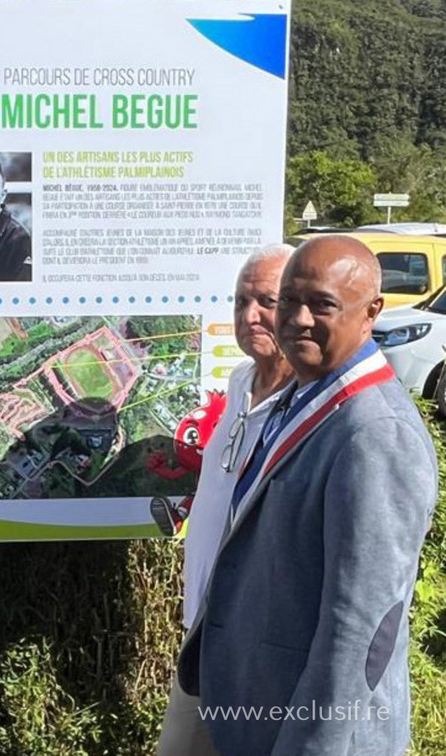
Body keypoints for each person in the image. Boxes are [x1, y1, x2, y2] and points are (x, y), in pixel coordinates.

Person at [172, 236, 438, 755]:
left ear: (371, 314)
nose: (297, 318)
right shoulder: (305, 394)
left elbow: (360, 630)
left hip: (307, 728)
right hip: (256, 705)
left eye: (322, 304)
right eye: (289, 300)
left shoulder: (375, 432)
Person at [157, 244, 294, 754]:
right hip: (204, 637)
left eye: (266, 301)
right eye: (240, 301)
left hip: (255, 650)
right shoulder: (240, 384)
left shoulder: (303, 410)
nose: (249, 315)